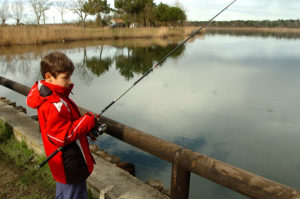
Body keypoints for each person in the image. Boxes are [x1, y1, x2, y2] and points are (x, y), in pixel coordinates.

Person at [26, 51, 99, 199]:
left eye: (70, 76)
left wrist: (86, 129)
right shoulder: (53, 104)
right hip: (69, 163)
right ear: (49, 77)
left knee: (63, 194)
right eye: (65, 77)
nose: (70, 81)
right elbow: (62, 136)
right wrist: (87, 121)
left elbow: (66, 124)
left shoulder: (53, 95)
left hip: (62, 162)